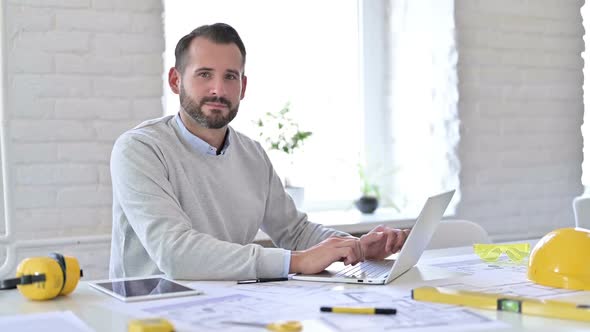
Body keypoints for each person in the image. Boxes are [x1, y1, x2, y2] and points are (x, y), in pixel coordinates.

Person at [109, 23, 409, 280]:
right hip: (149, 312)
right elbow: (175, 254)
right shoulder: (139, 149)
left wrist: (354, 246)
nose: (218, 89)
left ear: (243, 86)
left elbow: (296, 231)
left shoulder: (251, 154)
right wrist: (297, 261)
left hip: (226, 307)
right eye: (204, 75)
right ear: (176, 81)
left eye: (230, 76)